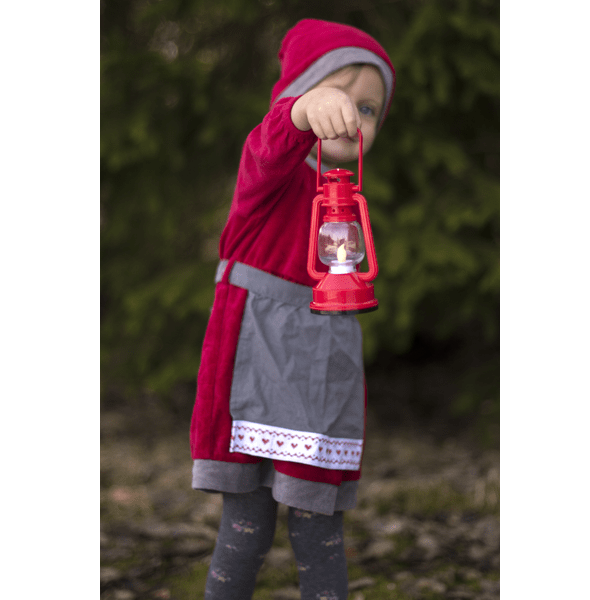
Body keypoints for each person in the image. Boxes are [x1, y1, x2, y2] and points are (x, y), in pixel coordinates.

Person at [189, 18, 395, 600]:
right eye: (337, 94)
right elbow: (271, 142)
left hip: (323, 358)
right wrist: (304, 110)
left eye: (369, 108)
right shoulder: (271, 174)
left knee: (319, 522)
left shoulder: (344, 194)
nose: (351, 115)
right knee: (246, 521)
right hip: (254, 354)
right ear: (298, 94)